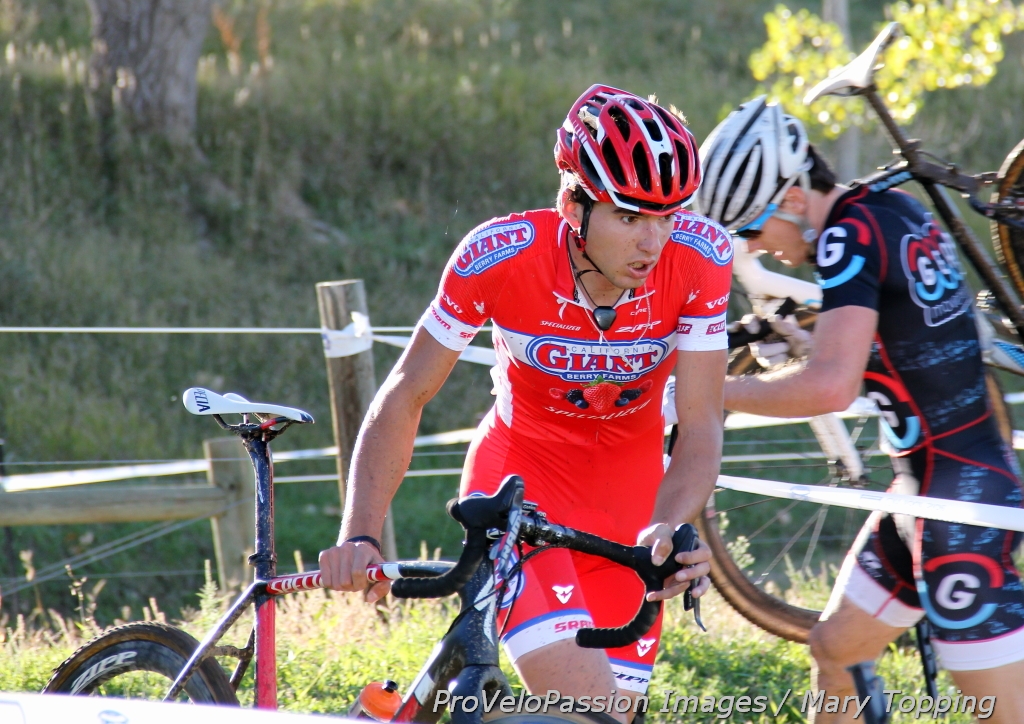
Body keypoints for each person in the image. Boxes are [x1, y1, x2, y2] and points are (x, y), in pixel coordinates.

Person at [319, 84, 733, 720]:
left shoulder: (701, 259)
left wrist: (670, 523)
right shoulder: (501, 255)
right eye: (630, 218)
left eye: (667, 217)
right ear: (573, 204)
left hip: (630, 516)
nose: (653, 243)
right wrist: (360, 532)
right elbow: (407, 394)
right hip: (518, 501)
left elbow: (701, 423)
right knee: (589, 711)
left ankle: (388, 713)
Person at [695, 95, 1024, 723]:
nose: (754, 248)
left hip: (956, 506)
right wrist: (812, 342)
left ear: (794, 199)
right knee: (836, 651)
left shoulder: (845, 240)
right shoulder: (890, 210)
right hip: (928, 488)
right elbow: (914, 338)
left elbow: (829, 390)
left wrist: (705, 391)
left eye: (751, 229)